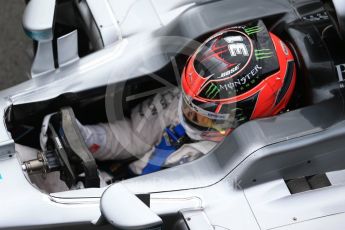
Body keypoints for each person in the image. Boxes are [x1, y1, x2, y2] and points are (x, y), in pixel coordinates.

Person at [42, 20, 297, 176]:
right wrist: (87, 139)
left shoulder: (231, 164)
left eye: (201, 117)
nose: (188, 114)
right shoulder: (194, 101)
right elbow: (134, 135)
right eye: (188, 104)